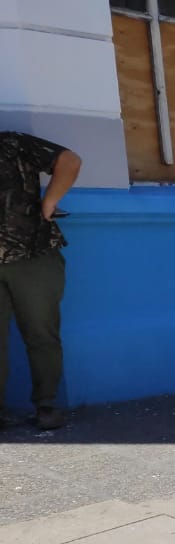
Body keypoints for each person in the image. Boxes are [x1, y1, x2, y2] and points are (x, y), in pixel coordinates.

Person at [0, 131, 81, 430]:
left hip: (33, 255)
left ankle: (46, 405)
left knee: (41, 334)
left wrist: (49, 203)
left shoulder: (12, 144)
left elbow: (69, 161)